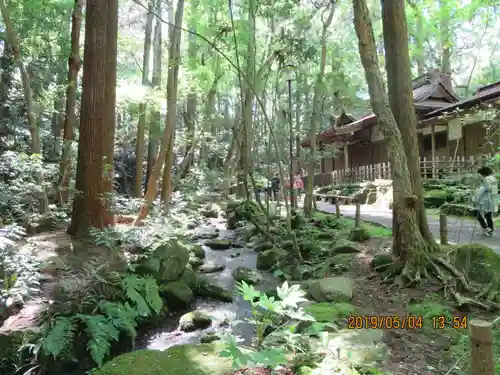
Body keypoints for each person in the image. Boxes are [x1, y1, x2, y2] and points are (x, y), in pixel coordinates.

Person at [472, 166, 498, 236]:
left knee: (476, 212)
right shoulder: (493, 178)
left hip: (484, 200)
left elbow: (483, 190)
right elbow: (495, 191)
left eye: (479, 174)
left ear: (482, 173)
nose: (479, 176)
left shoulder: (486, 179)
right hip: (491, 200)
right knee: (488, 215)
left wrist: (475, 199)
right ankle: (490, 230)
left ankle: (486, 228)